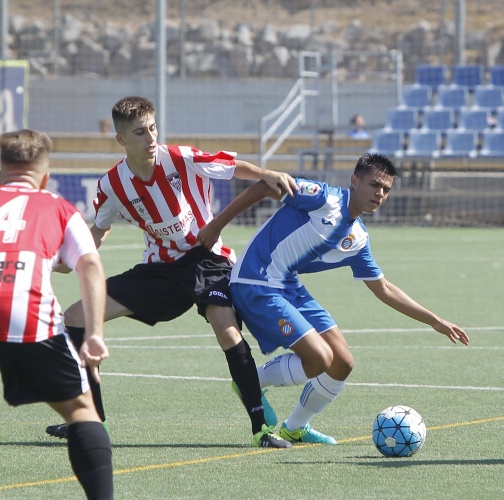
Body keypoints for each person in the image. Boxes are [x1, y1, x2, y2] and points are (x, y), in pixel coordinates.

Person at [44, 95, 298, 449]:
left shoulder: (180, 157)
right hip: (160, 270)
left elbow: (230, 165)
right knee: (74, 318)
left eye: (152, 129)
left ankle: (260, 429)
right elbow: (99, 230)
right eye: (139, 133)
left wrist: (265, 174)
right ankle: (89, 421)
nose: (150, 139)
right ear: (121, 140)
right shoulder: (112, 185)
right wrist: (68, 256)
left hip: (208, 259)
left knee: (227, 332)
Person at [197, 152, 469, 444]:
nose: (380, 194)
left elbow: (384, 288)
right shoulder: (323, 198)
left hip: (287, 286)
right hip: (255, 282)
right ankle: (251, 382)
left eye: (386, 189)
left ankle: (296, 427)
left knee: (342, 362)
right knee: (319, 359)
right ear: (354, 181)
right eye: (374, 185)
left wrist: (435, 321)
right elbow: (266, 186)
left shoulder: (358, 238)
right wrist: (216, 226)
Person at [0, 129, 114, 498]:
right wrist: (94, 333)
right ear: (45, 177)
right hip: (26, 315)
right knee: (82, 410)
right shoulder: (59, 207)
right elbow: (90, 266)